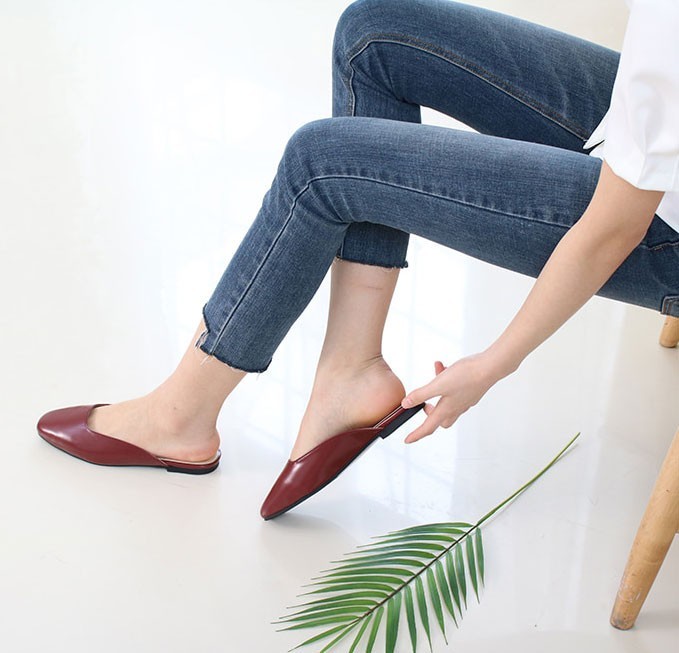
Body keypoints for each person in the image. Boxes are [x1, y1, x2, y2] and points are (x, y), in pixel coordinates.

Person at [37, 0, 679, 520]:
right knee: (373, 36)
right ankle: (351, 368)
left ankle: (182, 415)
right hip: (657, 122)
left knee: (321, 164)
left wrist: (492, 364)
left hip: (658, 222)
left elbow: (613, 228)